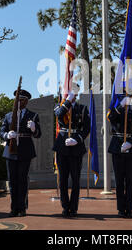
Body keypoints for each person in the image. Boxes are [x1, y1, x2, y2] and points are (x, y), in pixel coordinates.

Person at [0, 89, 41, 217]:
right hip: (10, 150)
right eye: (17, 99)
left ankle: (22, 208)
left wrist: (34, 128)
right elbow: (1, 133)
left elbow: (38, 134)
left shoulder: (33, 115)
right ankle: (14, 208)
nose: (18, 102)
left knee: (22, 180)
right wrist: (7, 135)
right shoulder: (8, 116)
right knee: (12, 180)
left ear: (26, 101)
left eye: (21, 100)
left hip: (25, 149)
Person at [53, 90, 90, 218]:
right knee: (62, 179)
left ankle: (73, 208)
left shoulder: (83, 109)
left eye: (72, 94)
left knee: (75, 179)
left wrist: (77, 139)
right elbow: (59, 114)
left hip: (76, 146)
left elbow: (86, 128)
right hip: (62, 145)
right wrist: (67, 102)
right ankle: (65, 206)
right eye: (67, 93)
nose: (70, 95)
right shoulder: (59, 106)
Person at [107, 94, 132, 218]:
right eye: (123, 100)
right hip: (117, 147)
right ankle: (121, 208)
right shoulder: (116, 112)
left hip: (130, 149)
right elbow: (111, 118)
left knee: (130, 180)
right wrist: (121, 106)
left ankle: (129, 208)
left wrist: (131, 142)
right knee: (119, 180)